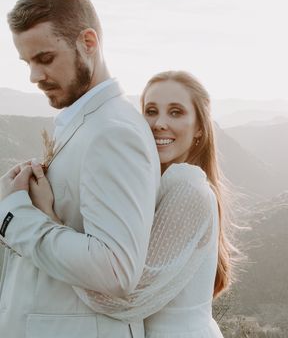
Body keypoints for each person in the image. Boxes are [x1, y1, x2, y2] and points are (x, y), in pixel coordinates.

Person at [0, 0, 160, 338]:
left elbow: (115, 270)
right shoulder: (87, 123)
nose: (34, 76)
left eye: (45, 59)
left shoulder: (112, 132)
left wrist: (15, 214)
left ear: (88, 43)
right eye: (27, 62)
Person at [29, 71, 235, 337]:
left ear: (199, 128)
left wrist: (48, 218)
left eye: (176, 112)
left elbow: (121, 300)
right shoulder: (160, 185)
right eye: (151, 111)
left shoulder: (187, 188)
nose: (159, 123)